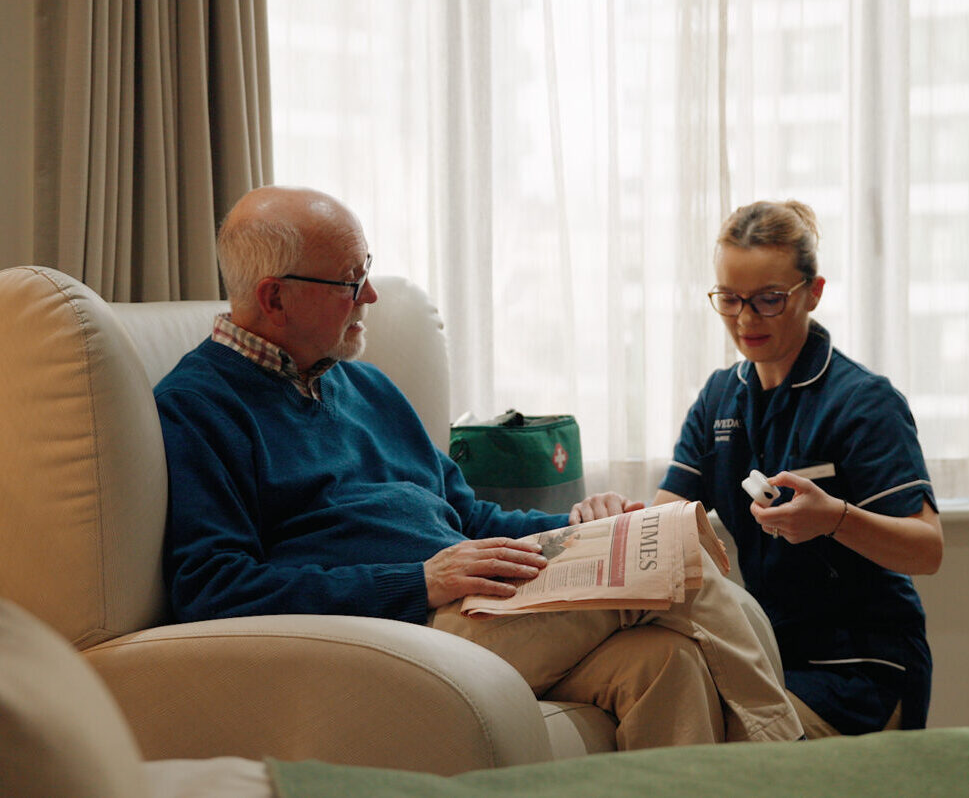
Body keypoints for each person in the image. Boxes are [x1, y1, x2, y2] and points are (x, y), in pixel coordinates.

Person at [154, 185, 802, 749]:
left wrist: (577, 525)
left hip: (486, 604)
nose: (370, 295)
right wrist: (415, 581)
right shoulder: (201, 407)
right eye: (352, 281)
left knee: (665, 661)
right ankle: (790, 766)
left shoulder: (366, 387)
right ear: (275, 298)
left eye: (368, 270)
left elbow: (470, 516)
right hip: (408, 633)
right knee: (677, 570)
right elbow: (214, 587)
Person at [653, 199, 943, 739]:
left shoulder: (863, 402)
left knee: (720, 742)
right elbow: (666, 524)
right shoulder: (720, 397)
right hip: (769, 656)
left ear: (813, 292)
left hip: (861, 671)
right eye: (729, 299)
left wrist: (834, 519)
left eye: (768, 299)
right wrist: (615, 526)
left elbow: (927, 549)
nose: (745, 319)